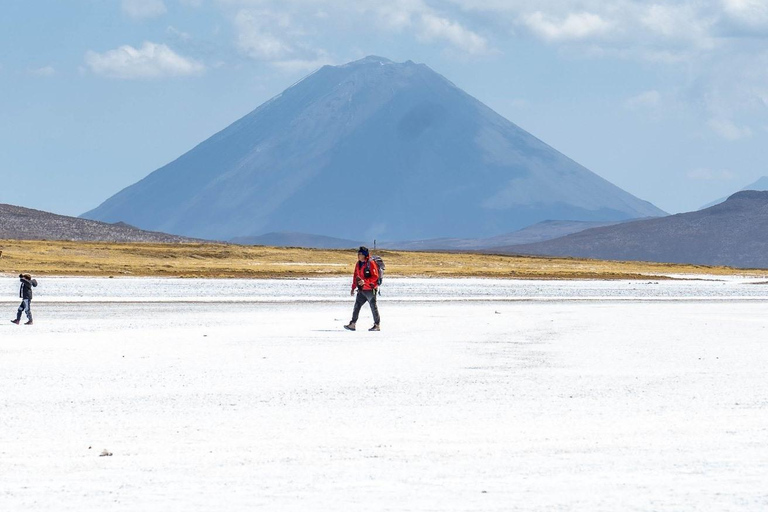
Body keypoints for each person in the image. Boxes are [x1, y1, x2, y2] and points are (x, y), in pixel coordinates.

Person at [344, 246, 381, 331]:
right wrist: (353, 287)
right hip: (362, 290)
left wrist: (365, 281)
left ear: (364, 255)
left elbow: (375, 277)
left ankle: (377, 325)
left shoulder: (371, 263)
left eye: (360, 254)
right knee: (357, 306)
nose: (358, 255)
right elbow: (355, 276)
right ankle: (352, 324)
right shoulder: (358, 264)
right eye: (358, 253)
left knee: (373, 307)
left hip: (371, 290)